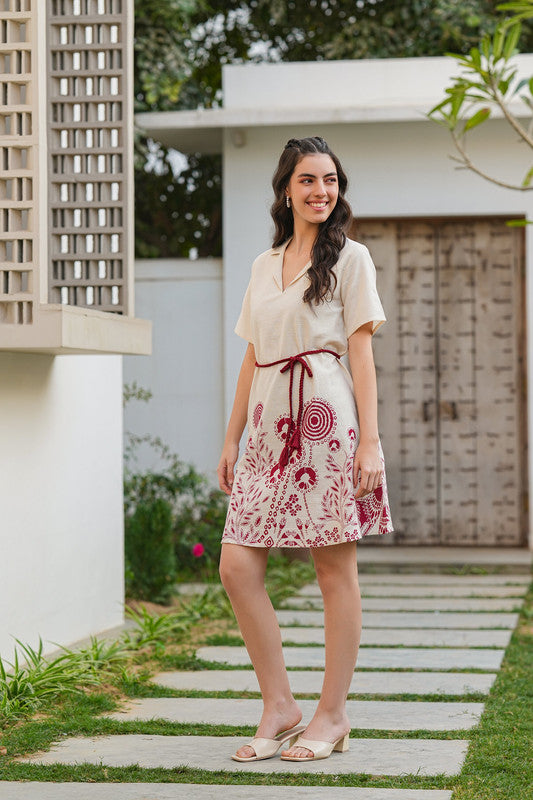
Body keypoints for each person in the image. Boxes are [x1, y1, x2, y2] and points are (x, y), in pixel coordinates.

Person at [217, 136, 394, 763]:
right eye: (308, 180)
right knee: (236, 566)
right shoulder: (264, 264)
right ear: (286, 189)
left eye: (331, 180)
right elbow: (250, 355)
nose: (322, 191)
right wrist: (232, 434)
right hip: (266, 424)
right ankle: (280, 705)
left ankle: (332, 714)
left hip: (325, 421)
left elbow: (363, 354)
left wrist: (369, 444)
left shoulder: (353, 260)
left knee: (332, 568)